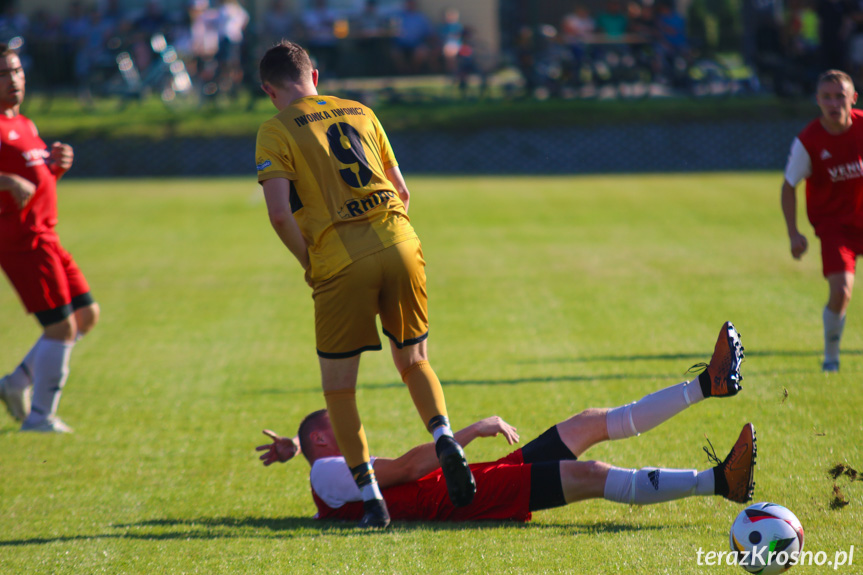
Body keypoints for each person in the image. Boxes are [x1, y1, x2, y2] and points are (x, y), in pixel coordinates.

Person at [254, 40, 474, 529]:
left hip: (339, 259)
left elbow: (277, 214)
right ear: (316, 74)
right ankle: (443, 437)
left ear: (270, 90)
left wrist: (310, 262)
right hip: (399, 238)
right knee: (415, 360)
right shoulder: (360, 110)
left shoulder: (274, 130)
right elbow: (403, 190)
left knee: (340, 392)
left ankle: (371, 498)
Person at [257, 322, 755, 523]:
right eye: (342, 427)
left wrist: (297, 447)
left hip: (466, 485)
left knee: (585, 423)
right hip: (458, 497)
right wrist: (466, 432)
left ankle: (709, 385)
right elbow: (406, 470)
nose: (355, 430)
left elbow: (337, 466)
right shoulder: (327, 472)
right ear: (326, 437)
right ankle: (719, 482)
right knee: (593, 474)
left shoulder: (322, 470)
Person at [0, 44, 99, 433]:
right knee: (61, 328)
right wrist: (5, 180)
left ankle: (15, 383)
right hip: (22, 241)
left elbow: (33, 183)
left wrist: (55, 165)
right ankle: (40, 417)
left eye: (18, 71)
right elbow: (12, 183)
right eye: (5, 74)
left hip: (47, 235)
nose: (14, 80)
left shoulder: (23, 124)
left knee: (86, 316)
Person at [781, 69, 863, 372]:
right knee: (841, 291)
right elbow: (789, 185)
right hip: (835, 228)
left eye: (840, 96)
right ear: (817, 100)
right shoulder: (809, 141)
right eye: (826, 97)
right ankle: (831, 356)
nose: (833, 102)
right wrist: (794, 234)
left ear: (853, 98)